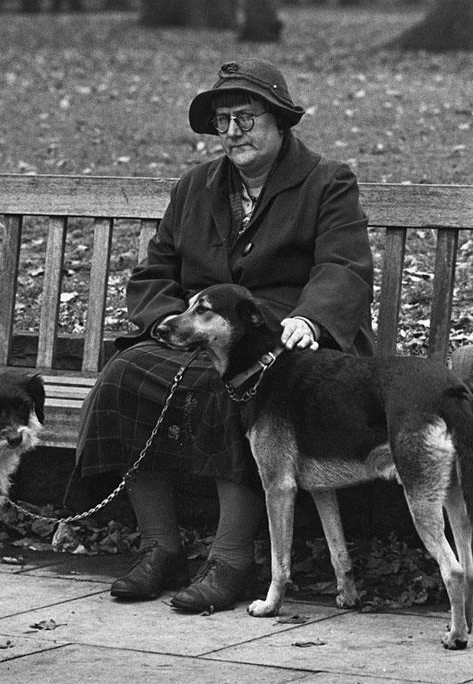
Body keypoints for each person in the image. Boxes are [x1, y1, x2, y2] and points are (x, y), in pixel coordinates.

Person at [68, 58, 375, 613]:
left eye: (245, 118)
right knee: (125, 375)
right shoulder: (195, 188)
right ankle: (161, 549)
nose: (232, 132)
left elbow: (344, 267)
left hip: (286, 345)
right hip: (202, 334)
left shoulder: (327, 182)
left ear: (280, 120)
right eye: (222, 120)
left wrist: (310, 318)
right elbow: (155, 272)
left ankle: (233, 559)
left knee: (238, 385)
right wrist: (165, 316)